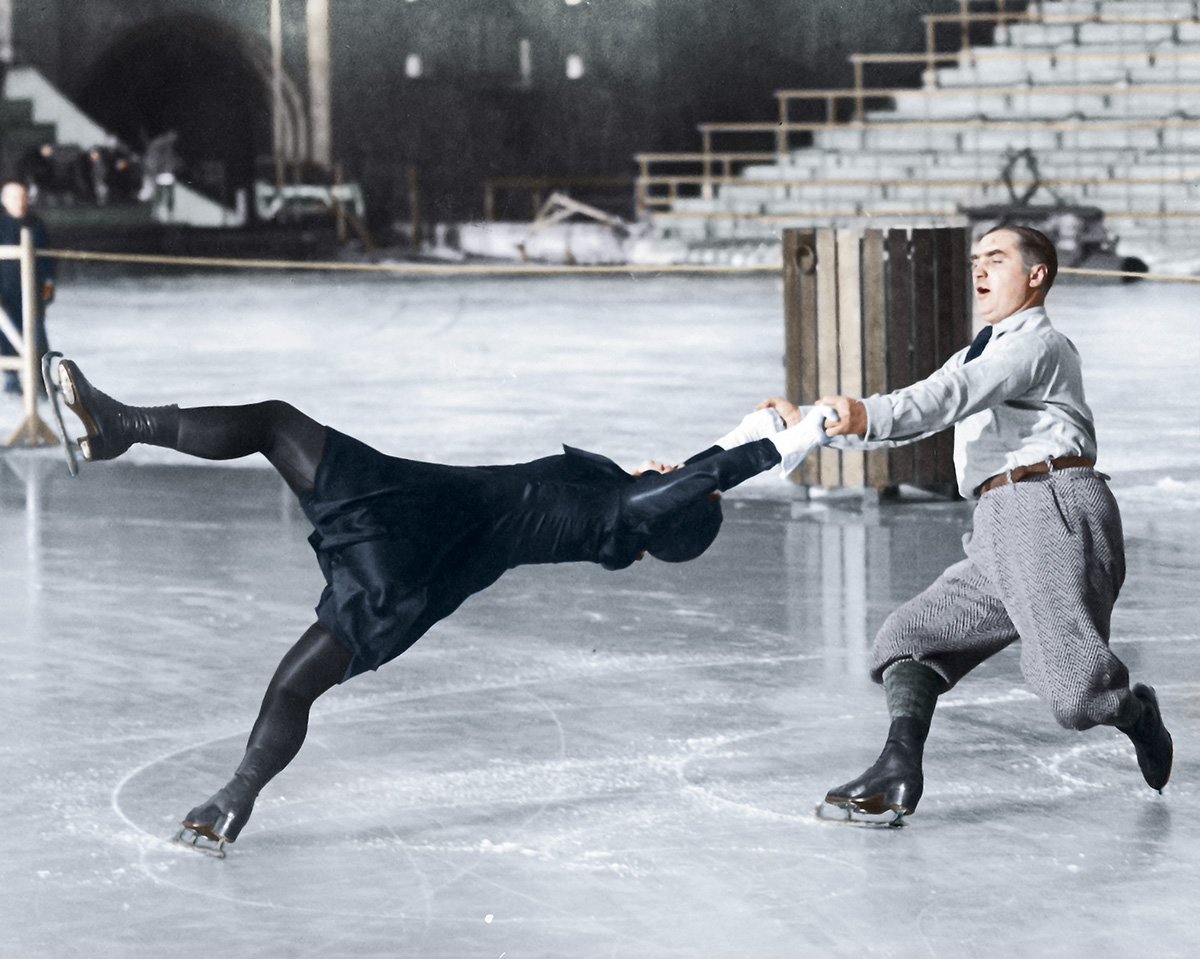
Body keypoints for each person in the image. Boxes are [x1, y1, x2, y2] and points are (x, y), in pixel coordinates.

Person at [50, 357, 833, 852]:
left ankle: (123, 426)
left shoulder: (624, 511)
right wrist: (755, 424)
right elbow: (696, 470)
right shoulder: (622, 513)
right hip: (408, 573)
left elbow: (700, 482)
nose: (666, 466)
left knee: (276, 425)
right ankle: (230, 801)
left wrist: (792, 441)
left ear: (664, 513)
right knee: (294, 681)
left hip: (410, 518)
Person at [760, 225, 1172, 825]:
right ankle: (897, 765)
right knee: (911, 639)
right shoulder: (978, 351)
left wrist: (863, 411)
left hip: (1049, 505)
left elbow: (949, 395)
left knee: (1076, 695)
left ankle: (1138, 716)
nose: (979, 269)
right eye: (976, 259)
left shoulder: (1037, 345)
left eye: (997, 259)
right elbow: (923, 414)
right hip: (1001, 521)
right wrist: (813, 430)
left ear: (1037, 276)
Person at [0, 181, 55, 395]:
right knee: (7, 335)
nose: (19, 201)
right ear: (4, 201)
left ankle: (43, 381)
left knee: (38, 335)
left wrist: (49, 284)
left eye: (22, 196)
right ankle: (12, 379)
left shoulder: (35, 223)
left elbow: (46, 258)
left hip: (32, 290)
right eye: (14, 197)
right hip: (6, 290)